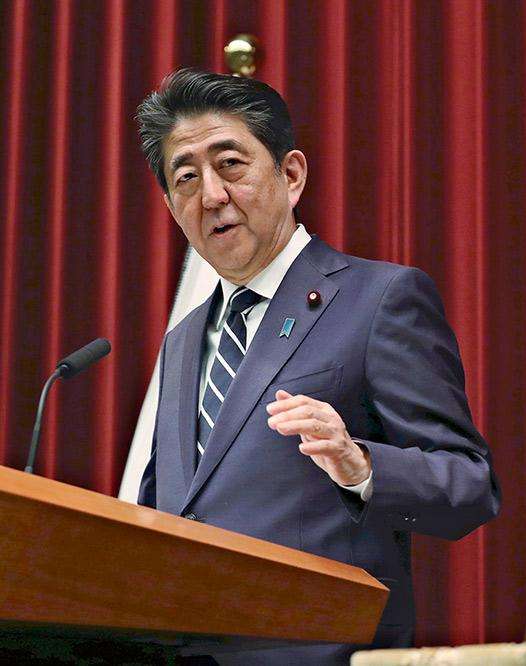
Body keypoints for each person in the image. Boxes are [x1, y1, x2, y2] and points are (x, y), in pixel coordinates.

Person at [135, 68, 500, 664]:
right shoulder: (182, 340)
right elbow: (169, 506)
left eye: (231, 165)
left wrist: (360, 465)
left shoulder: (378, 299)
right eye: (186, 178)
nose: (212, 196)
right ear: (171, 206)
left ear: (292, 174)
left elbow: (468, 486)